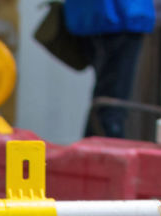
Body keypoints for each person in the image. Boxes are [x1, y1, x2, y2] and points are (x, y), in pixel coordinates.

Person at [65, 0, 155, 139]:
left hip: (92, 15)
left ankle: (92, 153)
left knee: (106, 101)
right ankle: (104, 157)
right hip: (120, 14)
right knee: (111, 108)